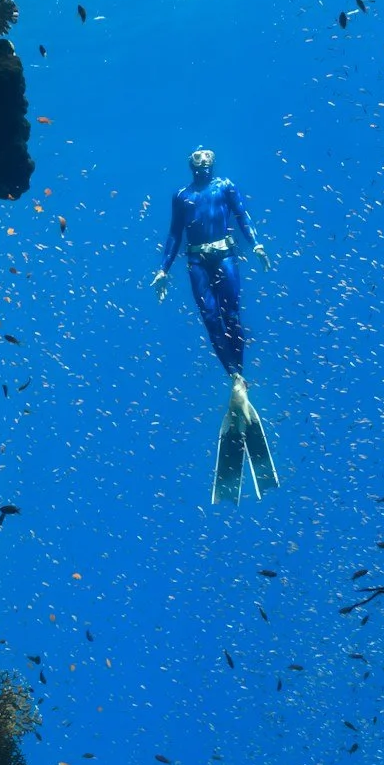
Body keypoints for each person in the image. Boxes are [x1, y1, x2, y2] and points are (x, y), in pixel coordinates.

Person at [151, 146, 278, 501]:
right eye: (197, 156)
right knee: (210, 319)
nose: (202, 160)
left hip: (224, 255)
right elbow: (175, 235)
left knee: (231, 314)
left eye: (207, 156)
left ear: (213, 162)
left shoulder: (225, 186)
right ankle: (234, 377)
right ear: (190, 164)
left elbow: (242, 216)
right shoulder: (182, 196)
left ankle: (239, 375)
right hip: (196, 261)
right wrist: (163, 269)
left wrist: (255, 245)